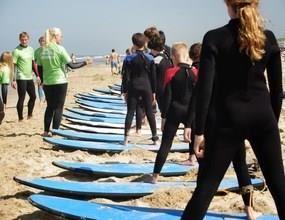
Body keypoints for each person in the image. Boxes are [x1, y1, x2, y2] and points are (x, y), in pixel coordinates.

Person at [181, 0, 285, 219]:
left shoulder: (214, 38)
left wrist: (199, 132)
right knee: (280, 188)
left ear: (227, 5)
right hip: (262, 117)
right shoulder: (268, 38)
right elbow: (277, 91)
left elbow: (205, 89)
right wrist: (270, 123)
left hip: (227, 120)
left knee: (206, 189)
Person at [148, 43, 197, 183]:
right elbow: (196, 97)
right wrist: (190, 121)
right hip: (191, 112)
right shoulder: (195, 72)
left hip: (175, 111)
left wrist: (164, 116)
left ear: (174, 57)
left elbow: (167, 96)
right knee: (194, 141)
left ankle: (155, 176)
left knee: (166, 144)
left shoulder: (171, 72)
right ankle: (194, 162)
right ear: (187, 56)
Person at [37, 27, 92, 137]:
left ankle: (46, 131)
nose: (61, 38)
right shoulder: (60, 49)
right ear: (55, 36)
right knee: (58, 108)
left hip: (47, 83)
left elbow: (39, 68)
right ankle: (55, 132)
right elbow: (71, 65)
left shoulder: (42, 50)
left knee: (50, 107)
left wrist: (43, 81)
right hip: (60, 81)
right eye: (60, 36)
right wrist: (85, 62)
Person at [122, 33, 158, 145]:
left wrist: (124, 91)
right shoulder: (150, 58)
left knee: (130, 111)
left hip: (133, 86)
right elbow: (153, 77)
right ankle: (155, 138)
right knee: (149, 112)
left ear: (133, 44)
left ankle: (125, 139)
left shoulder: (128, 58)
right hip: (147, 87)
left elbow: (125, 77)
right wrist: (154, 92)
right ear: (145, 43)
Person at [179, 43, 202, 166]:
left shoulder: (191, 71)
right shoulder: (208, 69)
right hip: (207, 104)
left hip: (193, 104)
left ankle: (192, 157)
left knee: (193, 129)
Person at [12, 32, 41, 121]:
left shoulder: (31, 49)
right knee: (22, 97)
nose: (24, 41)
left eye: (25, 39)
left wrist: (37, 76)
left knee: (33, 96)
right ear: (19, 39)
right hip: (21, 77)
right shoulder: (16, 51)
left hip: (29, 77)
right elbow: (14, 66)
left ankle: (29, 115)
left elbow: (33, 64)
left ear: (28, 39)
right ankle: (20, 118)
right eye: (22, 39)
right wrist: (13, 80)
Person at [34, 36, 46, 103]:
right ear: (39, 42)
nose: (42, 43)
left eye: (43, 41)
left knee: (46, 84)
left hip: (46, 69)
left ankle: (46, 98)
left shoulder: (48, 50)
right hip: (39, 68)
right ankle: (41, 99)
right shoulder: (36, 51)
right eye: (41, 41)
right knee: (39, 84)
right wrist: (34, 72)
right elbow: (34, 62)